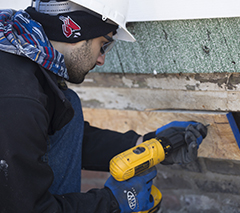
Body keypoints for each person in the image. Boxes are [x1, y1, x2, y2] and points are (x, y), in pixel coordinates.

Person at [0, 0, 207, 212]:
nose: (102, 59)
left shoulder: (22, 66)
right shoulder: (19, 100)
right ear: (75, 30)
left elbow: (53, 138)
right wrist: (112, 203)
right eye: (104, 44)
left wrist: (144, 144)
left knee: (68, 104)